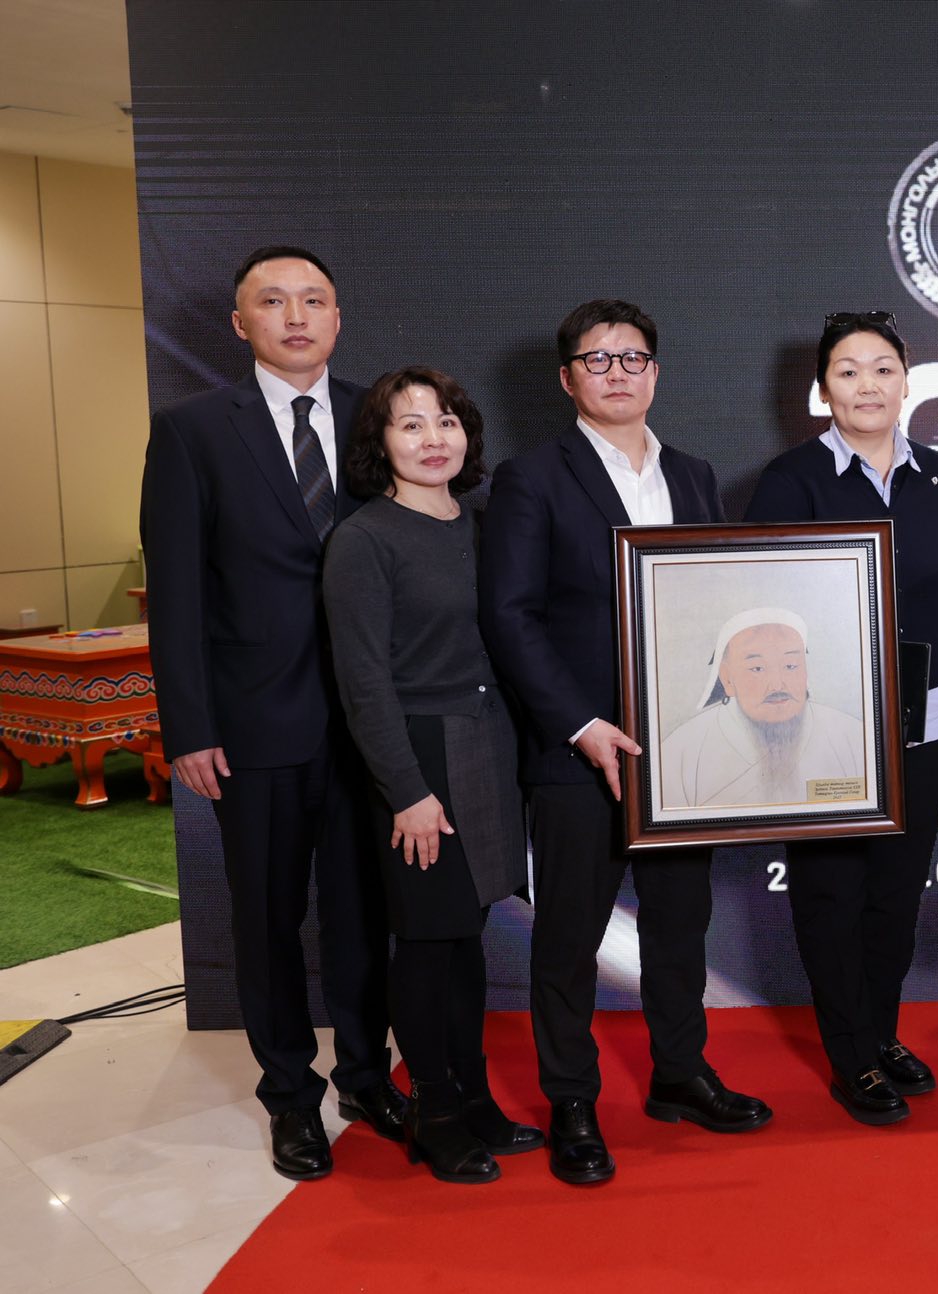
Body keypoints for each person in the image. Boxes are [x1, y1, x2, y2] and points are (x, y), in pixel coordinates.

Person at [479, 299, 771, 1186]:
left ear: (656, 372)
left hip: (682, 750)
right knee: (570, 937)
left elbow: (717, 603)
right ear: (568, 378)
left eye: (633, 357)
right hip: (579, 752)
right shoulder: (532, 478)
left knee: (681, 925)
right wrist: (579, 724)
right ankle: (572, 1100)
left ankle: (680, 1073)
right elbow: (510, 616)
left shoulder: (694, 474)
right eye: (597, 360)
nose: (618, 373)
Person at [139, 246, 403, 1181]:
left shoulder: (382, 416)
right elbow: (176, 592)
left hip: (372, 723)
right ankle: (290, 1096)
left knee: (365, 917)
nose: (296, 317)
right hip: (252, 726)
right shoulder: (191, 430)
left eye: (314, 300)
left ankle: (367, 1077)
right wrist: (189, 727)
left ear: (337, 318)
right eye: (273, 301)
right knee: (267, 920)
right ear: (240, 322)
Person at [743, 312, 938, 1126]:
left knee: (896, 896)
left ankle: (879, 1032)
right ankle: (850, 1056)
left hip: (926, 723)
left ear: (906, 381)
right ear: (822, 389)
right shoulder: (790, 480)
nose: (867, 385)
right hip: (823, 733)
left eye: (882, 368)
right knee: (832, 894)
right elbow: (762, 608)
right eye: (847, 370)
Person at [324, 367, 542, 1184]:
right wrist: (407, 792)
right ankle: (435, 1113)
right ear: (379, 442)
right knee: (424, 942)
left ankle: (473, 1098)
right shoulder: (364, 540)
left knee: (464, 937)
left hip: (488, 743)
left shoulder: (483, 526)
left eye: (446, 421)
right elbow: (363, 684)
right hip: (417, 756)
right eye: (410, 424)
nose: (432, 439)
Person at [660, 608, 866, 809]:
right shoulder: (680, 753)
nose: (777, 685)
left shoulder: (853, 737)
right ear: (727, 678)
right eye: (757, 668)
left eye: (790, 666)